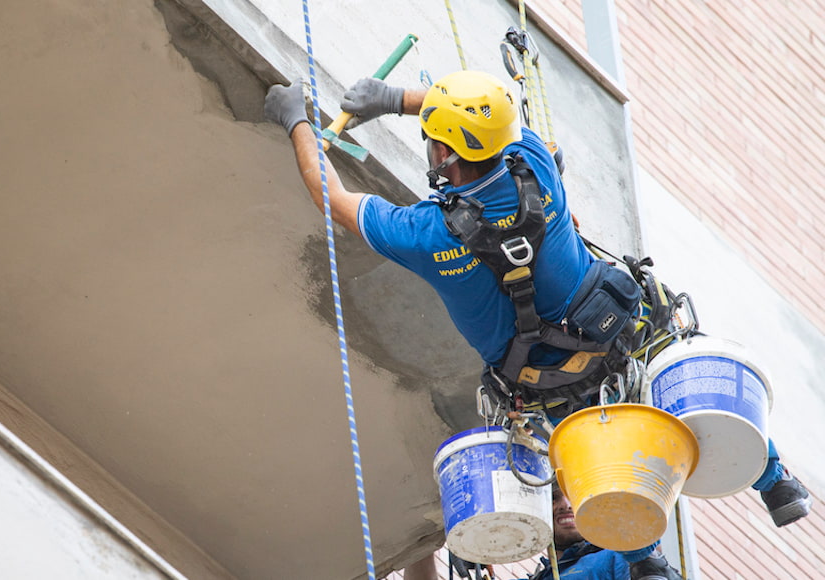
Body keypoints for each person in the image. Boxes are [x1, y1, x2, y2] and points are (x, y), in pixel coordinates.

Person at [262, 71, 812, 526]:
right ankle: (777, 483)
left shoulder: (427, 234)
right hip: (619, 330)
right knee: (688, 387)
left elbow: (330, 195)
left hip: (543, 386)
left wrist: (297, 121)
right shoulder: (535, 164)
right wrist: (399, 100)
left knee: (605, 470)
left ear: (444, 153)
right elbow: (484, 119)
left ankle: (644, 562)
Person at [402, 485, 684, 579]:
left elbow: (647, 555)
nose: (564, 505)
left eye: (572, 495)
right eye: (553, 498)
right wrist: (426, 538)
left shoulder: (615, 558)